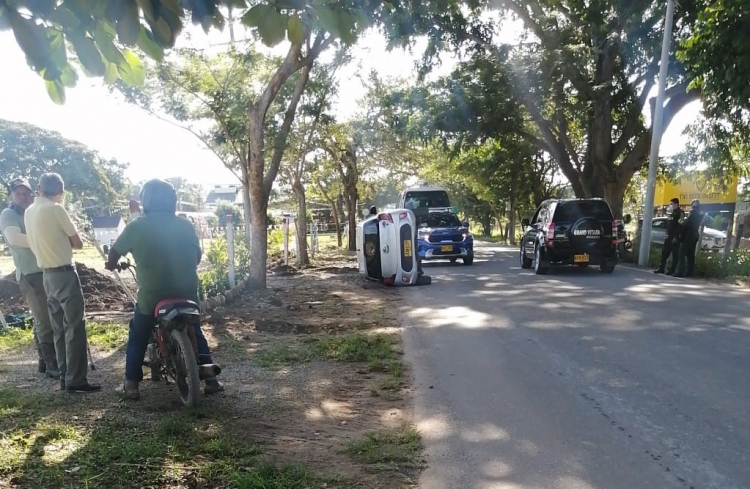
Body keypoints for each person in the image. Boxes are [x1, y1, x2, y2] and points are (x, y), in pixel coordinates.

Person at [105, 179, 223, 400]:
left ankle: (131, 384)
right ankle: (211, 380)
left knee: (138, 334)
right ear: (172, 201)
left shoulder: (136, 226)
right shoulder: (185, 225)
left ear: (145, 202)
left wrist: (112, 264)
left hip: (153, 294)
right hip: (187, 291)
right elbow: (196, 257)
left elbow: (114, 254)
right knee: (195, 330)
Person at [25, 173, 100, 393]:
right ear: (61, 190)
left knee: (58, 328)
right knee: (75, 327)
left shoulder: (30, 211)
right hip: (65, 273)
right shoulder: (56, 209)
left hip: (46, 275)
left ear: (39, 188)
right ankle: (76, 379)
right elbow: (77, 243)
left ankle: (64, 375)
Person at [0, 178, 59, 378]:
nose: (23, 196)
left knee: (45, 315)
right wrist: (45, 240)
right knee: (44, 319)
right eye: (18, 193)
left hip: (47, 269)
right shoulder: (9, 214)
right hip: (30, 273)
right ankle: (52, 363)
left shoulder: (35, 212)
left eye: (26, 192)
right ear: (11, 196)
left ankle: (44, 360)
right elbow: (14, 238)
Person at [654, 198, 684, 275]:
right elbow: (668, 224)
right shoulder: (670, 213)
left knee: (674, 254)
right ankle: (661, 268)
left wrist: (676, 237)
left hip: (675, 237)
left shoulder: (680, 213)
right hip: (669, 235)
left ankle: (672, 270)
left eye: (672, 204)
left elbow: (680, 226)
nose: (670, 205)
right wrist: (667, 233)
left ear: (676, 204)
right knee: (664, 252)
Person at [675, 199, 703, 278]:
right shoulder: (700, 213)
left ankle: (681, 271)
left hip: (689, 234)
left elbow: (687, 224)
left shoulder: (692, 212)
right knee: (691, 254)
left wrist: (682, 223)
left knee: (682, 253)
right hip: (695, 234)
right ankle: (690, 272)